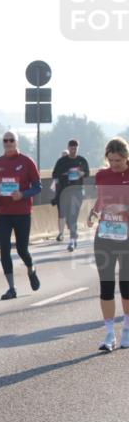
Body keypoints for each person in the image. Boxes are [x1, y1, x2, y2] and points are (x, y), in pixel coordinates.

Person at [86, 137, 129, 352]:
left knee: (126, 286)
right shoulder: (102, 175)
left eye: (119, 161)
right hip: (105, 234)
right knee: (106, 286)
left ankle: (127, 329)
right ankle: (110, 333)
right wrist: (94, 212)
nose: (114, 164)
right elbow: (102, 200)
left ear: (126, 157)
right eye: (111, 160)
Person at [0, 131, 42, 300]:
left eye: (11, 140)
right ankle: (11, 288)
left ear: (17, 142)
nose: (8, 143)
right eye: (5, 140)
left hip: (22, 213)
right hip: (4, 213)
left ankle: (31, 267)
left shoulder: (27, 162)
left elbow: (38, 187)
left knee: (21, 249)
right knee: (4, 250)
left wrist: (23, 194)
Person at [52, 140, 91, 252]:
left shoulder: (82, 160)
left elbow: (88, 173)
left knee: (73, 216)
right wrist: (65, 174)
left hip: (78, 190)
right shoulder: (62, 161)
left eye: (75, 148)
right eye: (71, 148)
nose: (73, 150)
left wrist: (81, 173)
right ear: (68, 148)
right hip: (65, 191)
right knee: (68, 218)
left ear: (78, 148)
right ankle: (74, 235)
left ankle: (72, 241)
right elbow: (54, 174)